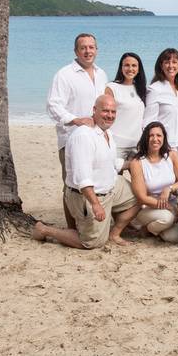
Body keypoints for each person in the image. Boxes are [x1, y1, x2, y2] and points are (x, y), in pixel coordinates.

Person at [32, 94, 140, 248]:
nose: (110, 115)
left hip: (112, 187)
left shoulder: (106, 132)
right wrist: (95, 204)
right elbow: (83, 179)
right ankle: (44, 229)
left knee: (140, 195)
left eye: (113, 112)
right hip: (88, 196)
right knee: (92, 242)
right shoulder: (83, 136)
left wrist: (135, 164)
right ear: (94, 110)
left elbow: (109, 163)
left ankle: (115, 231)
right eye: (105, 111)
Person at [46, 33, 108, 228]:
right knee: (71, 185)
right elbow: (53, 106)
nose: (88, 51)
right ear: (76, 51)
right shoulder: (65, 75)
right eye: (83, 48)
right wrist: (75, 119)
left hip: (96, 138)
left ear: (96, 50)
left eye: (91, 47)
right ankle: (72, 227)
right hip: (71, 139)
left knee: (93, 180)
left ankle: (91, 221)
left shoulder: (101, 74)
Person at [127, 121, 178, 243]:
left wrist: (169, 188)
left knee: (173, 238)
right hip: (147, 207)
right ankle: (149, 227)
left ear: (164, 138)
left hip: (171, 204)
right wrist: (170, 208)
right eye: (151, 135)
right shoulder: (137, 162)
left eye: (159, 135)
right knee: (167, 219)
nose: (155, 139)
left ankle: (152, 229)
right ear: (145, 138)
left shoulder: (172, 155)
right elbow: (142, 197)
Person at [143, 48, 178, 166]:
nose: (170, 65)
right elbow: (149, 121)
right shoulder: (155, 89)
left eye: (174, 62)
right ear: (161, 66)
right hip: (164, 145)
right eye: (167, 62)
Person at [105, 52, 146, 162]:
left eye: (134, 65)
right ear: (121, 67)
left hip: (137, 145)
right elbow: (105, 116)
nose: (130, 69)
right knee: (114, 177)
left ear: (139, 69)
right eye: (126, 65)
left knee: (140, 178)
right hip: (116, 144)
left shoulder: (142, 89)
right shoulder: (112, 88)